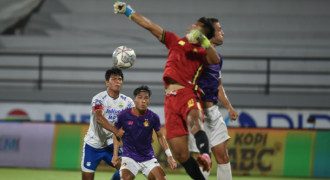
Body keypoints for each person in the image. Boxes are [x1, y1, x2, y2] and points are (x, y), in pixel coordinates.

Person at [113, 2, 221, 179]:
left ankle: (205, 154)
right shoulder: (174, 41)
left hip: (187, 93)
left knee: (194, 121)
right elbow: (150, 26)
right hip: (170, 100)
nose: (190, 27)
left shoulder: (201, 52)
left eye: (196, 26)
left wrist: (204, 41)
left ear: (203, 33)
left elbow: (215, 59)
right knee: (181, 155)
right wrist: (128, 12)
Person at [189, 18, 238, 180]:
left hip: (214, 112)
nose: (222, 33)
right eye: (219, 30)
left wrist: (229, 107)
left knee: (223, 156)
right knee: (204, 158)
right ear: (210, 33)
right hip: (198, 114)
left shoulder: (217, 58)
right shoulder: (197, 55)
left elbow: (218, 86)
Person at [112, 85, 177, 180]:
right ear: (134, 99)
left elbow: (160, 137)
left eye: (146, 98)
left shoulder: (153, 117)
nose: (143, 101)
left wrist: (169, 156)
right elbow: (116, 134)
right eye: (140, 97)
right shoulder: (123, 116)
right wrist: (115, 155)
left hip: (148, 158)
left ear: (149, 100)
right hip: (129, 157)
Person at [81, 67, 135, 180]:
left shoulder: (128, 102)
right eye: (114, 79)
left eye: (120, 79)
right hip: (93, 144)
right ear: (107, 82)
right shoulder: (98, 99)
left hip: (111, 144)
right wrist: (116, 131)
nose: (117, 81)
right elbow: (99, 118)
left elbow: (132, 121)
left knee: (128, 173)